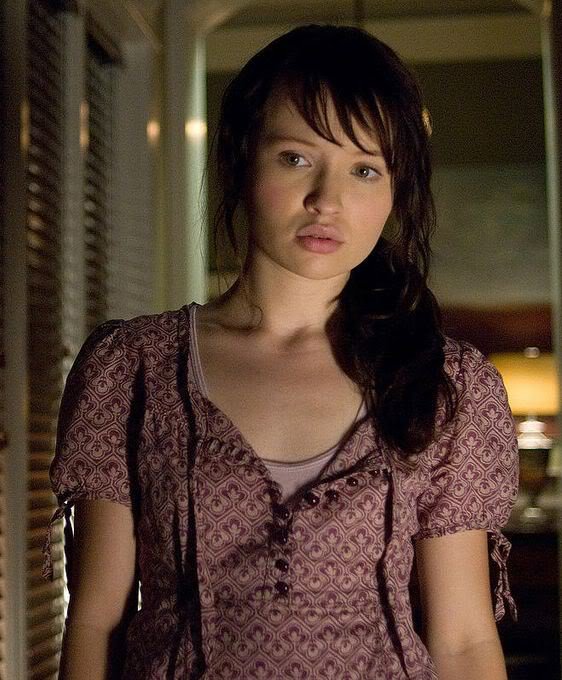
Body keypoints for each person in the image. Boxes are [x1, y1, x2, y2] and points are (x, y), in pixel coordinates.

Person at [43, 24, 518, 680]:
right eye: (296, 158)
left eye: (364, 170)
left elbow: (463, 639)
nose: (328, 201)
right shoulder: (134, 367)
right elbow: (97, 619)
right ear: (242, 160)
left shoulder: (446, 381)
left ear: (394, 192)